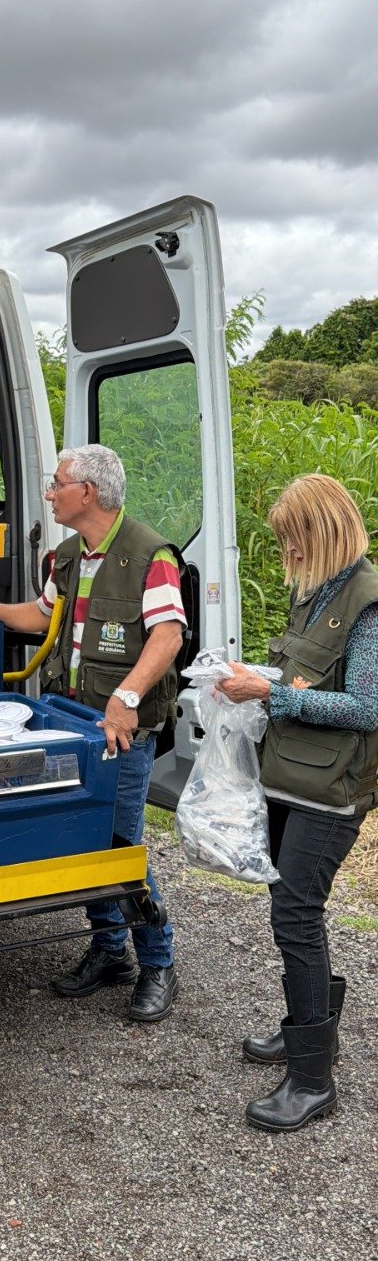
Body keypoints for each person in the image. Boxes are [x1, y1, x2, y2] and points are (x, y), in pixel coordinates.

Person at [0, 444, 186, 1022]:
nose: (48, 493)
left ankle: (158, 963)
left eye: (57, 484)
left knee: (118, 847)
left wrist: (126, 698)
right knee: (81, 839)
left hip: (120, 733)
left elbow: (168, 635)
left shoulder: (151, 555)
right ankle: (110, 951)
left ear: (87, 493)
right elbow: (42, 614)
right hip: (72, 725)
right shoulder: (69, 554)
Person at [215, 474, 377, 1133]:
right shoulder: (315, 593)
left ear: (323, 532)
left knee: (296, 915)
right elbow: (310, 676)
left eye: (295, 539)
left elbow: (366, 706)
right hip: (292, 777)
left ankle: (312, 1081)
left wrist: (273, 695)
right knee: (295, 913)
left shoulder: (367, 603)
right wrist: (258, 679)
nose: (290, 553)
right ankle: (311, 1037)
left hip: (332, 793)